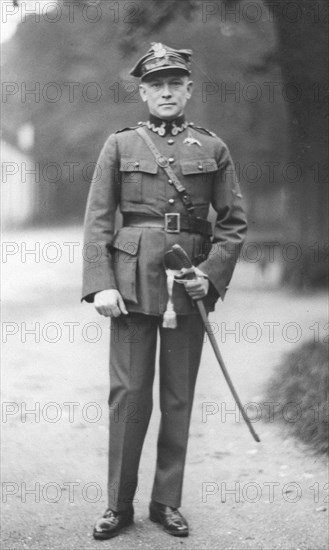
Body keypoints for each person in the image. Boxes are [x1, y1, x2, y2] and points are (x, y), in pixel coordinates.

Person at [82, 42, 247, 540]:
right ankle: (117, 505)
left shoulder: (213, 148)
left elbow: (234, 224)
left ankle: (165, 502)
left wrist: (212, 275)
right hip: (131, 286)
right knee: (131, 396)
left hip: (186, 285)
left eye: (176, 83)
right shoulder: (121, 145)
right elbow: (97, 222)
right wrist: (100, 285)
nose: (167, 92)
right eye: (157, 85)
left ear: (189, 89)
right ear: (143, 92)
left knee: (178, 397)